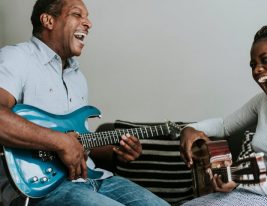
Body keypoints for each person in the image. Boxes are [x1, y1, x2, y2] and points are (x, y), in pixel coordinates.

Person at [0, 0, 170, 206]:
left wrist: (115, 153)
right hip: (42, 189)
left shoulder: (77, 77)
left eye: (87, 16)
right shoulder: (16, 57)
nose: (88, 23)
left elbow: (80, 143)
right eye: (77, 14)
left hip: (95, 179)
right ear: (48, 20)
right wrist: (60, 142)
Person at [180, 20, 267, 206]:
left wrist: (239, 178)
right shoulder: (263, 103)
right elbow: (224, 126)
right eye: (253, 64)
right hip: (256, 194)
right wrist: (189, 128)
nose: (257, 70)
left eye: (265, 59)